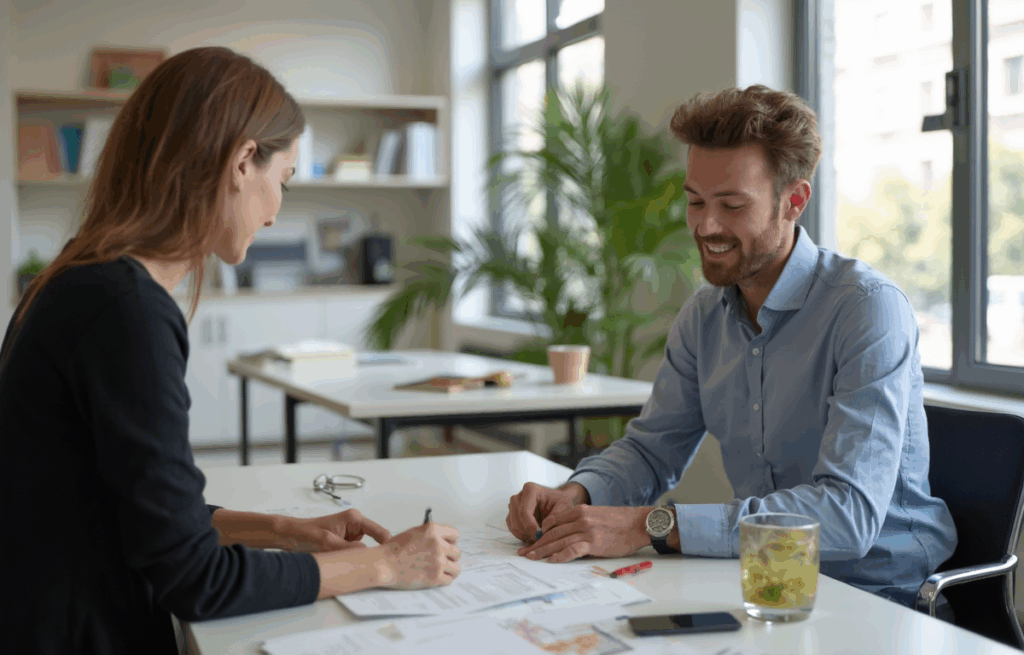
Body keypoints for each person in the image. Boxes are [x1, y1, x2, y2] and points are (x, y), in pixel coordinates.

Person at [0, 46, 461, 655]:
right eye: (284, 179)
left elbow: (134, 510)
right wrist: (386, 566)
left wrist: (284, 531)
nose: (275, 212)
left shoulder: (79, 282)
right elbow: (197, 580)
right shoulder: (125, 309)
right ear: (244, 161)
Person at [505, 85, 957, 613]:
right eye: (696, 201)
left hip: (881, 597)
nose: (706, 226)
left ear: (794, 201)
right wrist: (579, 494)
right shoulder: (705, 314)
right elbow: (653, 450)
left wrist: (652, 525)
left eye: (732, 205)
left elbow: (846, 517)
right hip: (760, 582)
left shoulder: (867, 310)